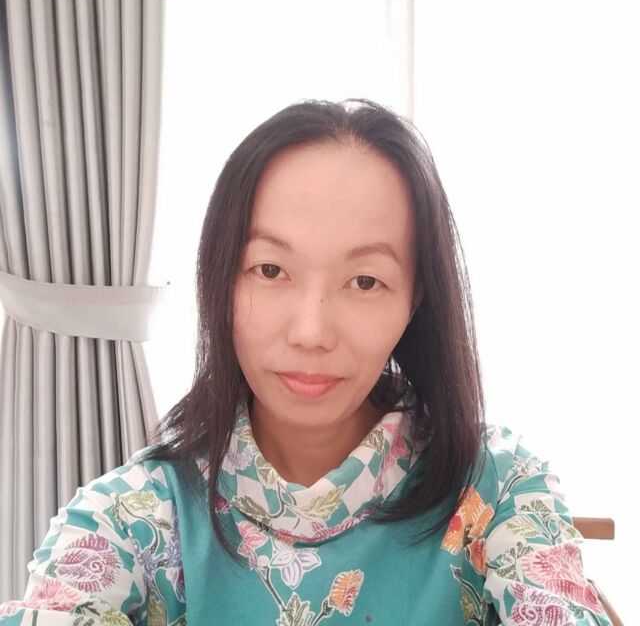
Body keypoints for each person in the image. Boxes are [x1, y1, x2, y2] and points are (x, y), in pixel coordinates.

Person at [0, 99, 611, 626]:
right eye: (270, 270)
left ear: (414, 298)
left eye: (365, 281)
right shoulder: (131, 518)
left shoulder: (499, 488)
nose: (311, 332)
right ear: (220, 279)